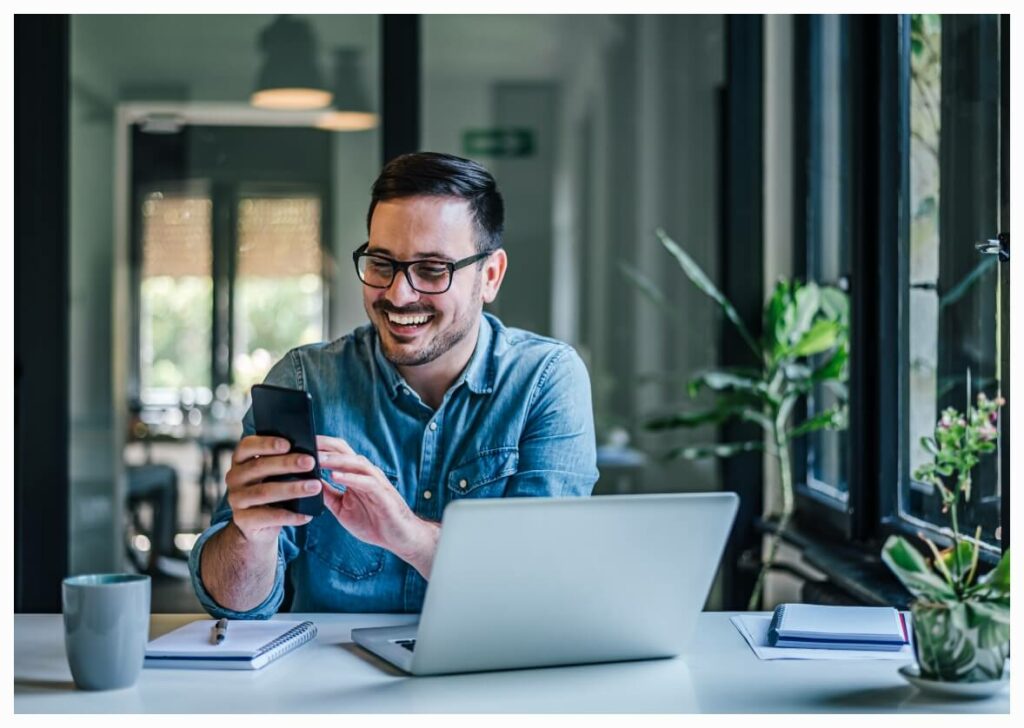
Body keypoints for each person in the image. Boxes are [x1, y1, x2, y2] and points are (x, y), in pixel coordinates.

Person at [189, 152, 599, 617]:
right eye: (382, 263)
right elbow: (233, 608)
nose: (398, 295)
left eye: (431, 269)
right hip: (334, 682)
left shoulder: (545, 381)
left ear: (489, 276)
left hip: (495, 675)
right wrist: (251, 536)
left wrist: (406, 532)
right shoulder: (305, 382)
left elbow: (541, 587)